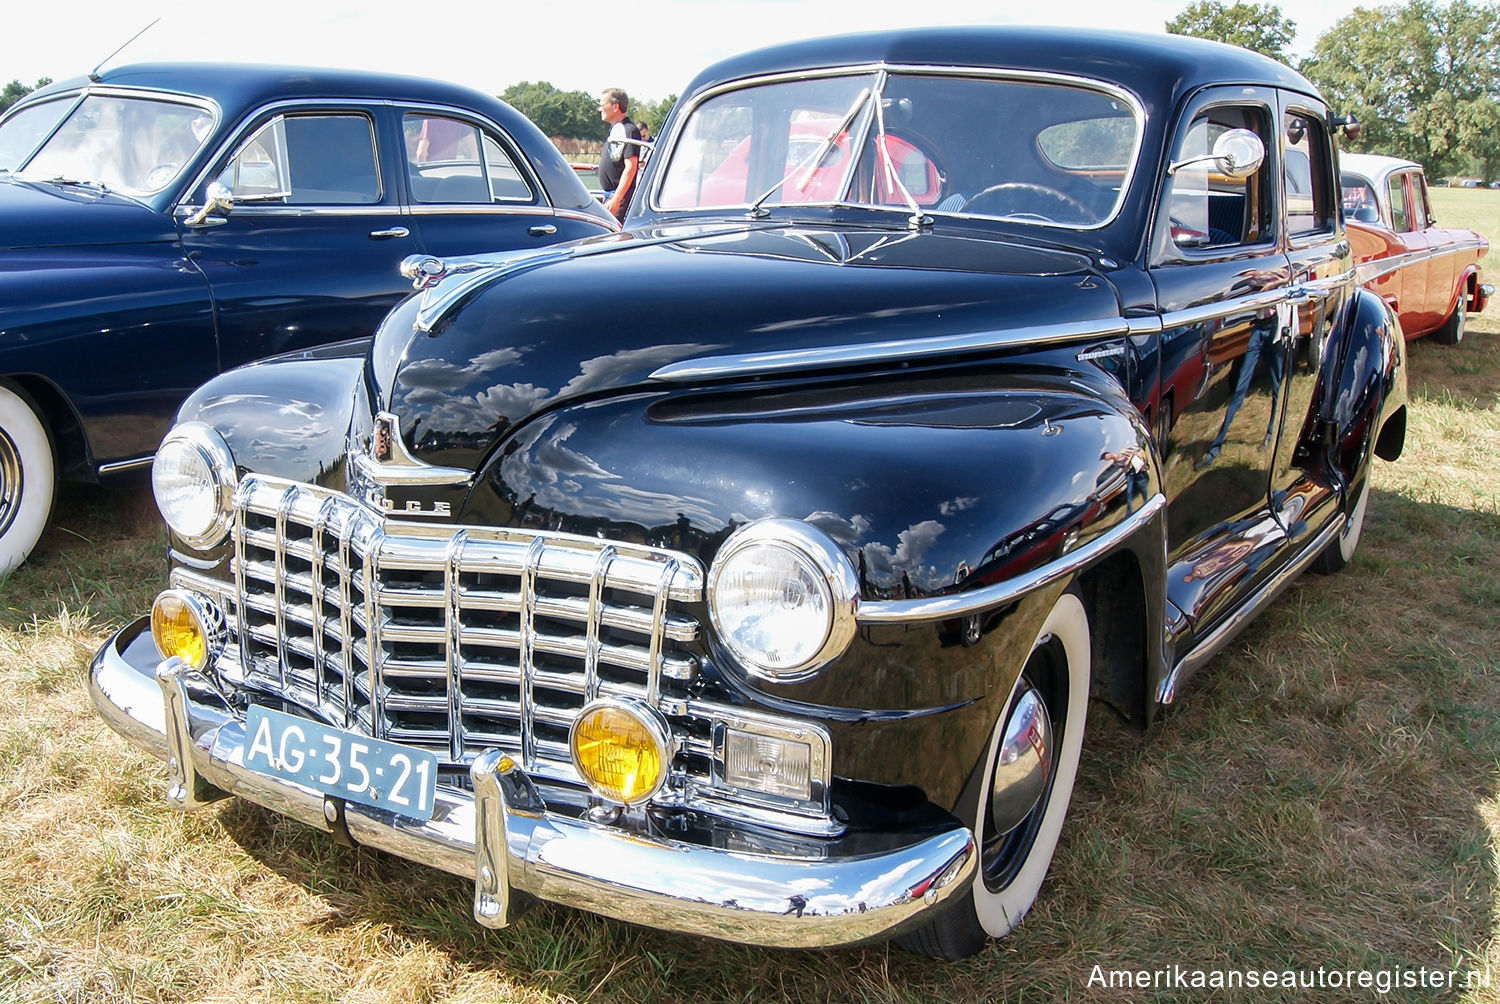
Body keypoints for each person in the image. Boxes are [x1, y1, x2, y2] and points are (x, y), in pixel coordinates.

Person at [597, 88, 641, 222]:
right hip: (610, 196)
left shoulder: (629, 130)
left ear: (615, 106)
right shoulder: (615, 131)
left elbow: (631, 167)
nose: (600, 109)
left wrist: (617, 199)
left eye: (603, 105)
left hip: (620, 200)